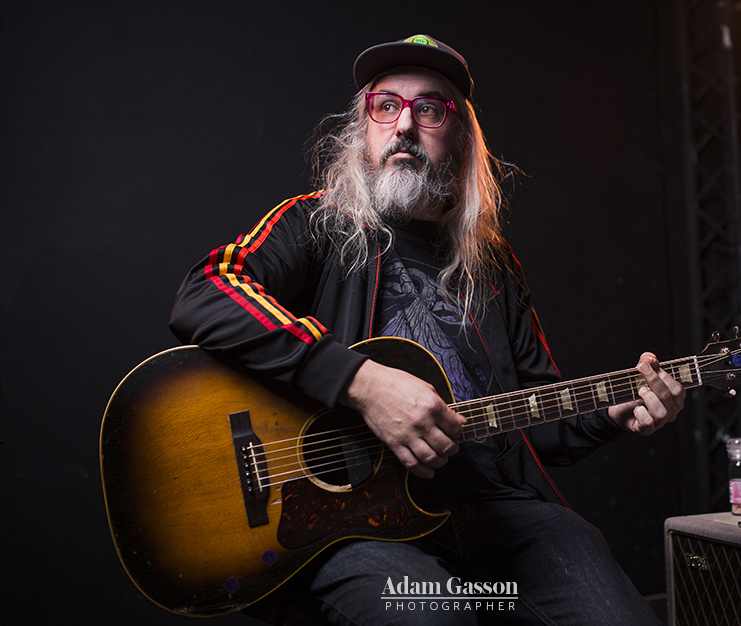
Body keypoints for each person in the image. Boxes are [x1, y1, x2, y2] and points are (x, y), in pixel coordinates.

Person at [170, 34, 684, 626]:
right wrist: (362, 382)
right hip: (355, 524)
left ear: (461, 134)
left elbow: (539, 425)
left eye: (429, 109)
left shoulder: (494, 267)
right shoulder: (314, 223)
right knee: (432, 620)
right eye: (386, 106)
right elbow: (206, 289)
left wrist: (612, 412)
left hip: (494, 512)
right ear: (363, 128)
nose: (404, 126)